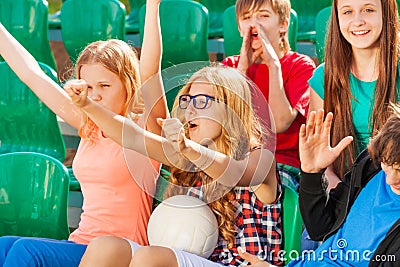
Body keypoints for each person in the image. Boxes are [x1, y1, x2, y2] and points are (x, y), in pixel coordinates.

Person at [0, 0, 168, 264]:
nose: (95, 95)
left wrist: (152, 6)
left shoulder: (144, 129)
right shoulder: (88, 125)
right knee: (5, 246)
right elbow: (31, 74)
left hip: (122, 251)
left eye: (104, 85)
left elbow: (150, 71)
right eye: (88, 87)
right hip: (81, 244)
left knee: (25, 251)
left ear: (127, 84)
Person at [69, 63, 283, 265]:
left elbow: (235, 173)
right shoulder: (186, 155)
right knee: (105, 246)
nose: (190, 109)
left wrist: (189, 149)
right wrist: (86, 105)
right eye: (187, 101)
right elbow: (131, 136)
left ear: (232, 109)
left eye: (202, 101)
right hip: (191, 261)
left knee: (151, 258)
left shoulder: (260, 157)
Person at [236, 108, 400, 266]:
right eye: (387, 165)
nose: (390, 180)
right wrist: (312, 173)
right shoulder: (370, 166)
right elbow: (320, 229)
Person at [222, 0, 316, 191]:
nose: (254, 24)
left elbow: (279, 123)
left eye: (263, 16)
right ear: (240, 27)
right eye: (247, 17)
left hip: (282, 166)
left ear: (283, 24)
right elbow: (227, 124)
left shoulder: (300, 66)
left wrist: (273, 66)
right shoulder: (230, 66)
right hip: (237, 162)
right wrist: (242, 70)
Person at [308, 0, 400, 188]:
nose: (358, 21)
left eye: (368, 10)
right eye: (347, 12)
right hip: (344, 189)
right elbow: (318, 154)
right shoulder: (323, 77)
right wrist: (339, 190)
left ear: (386, 13)